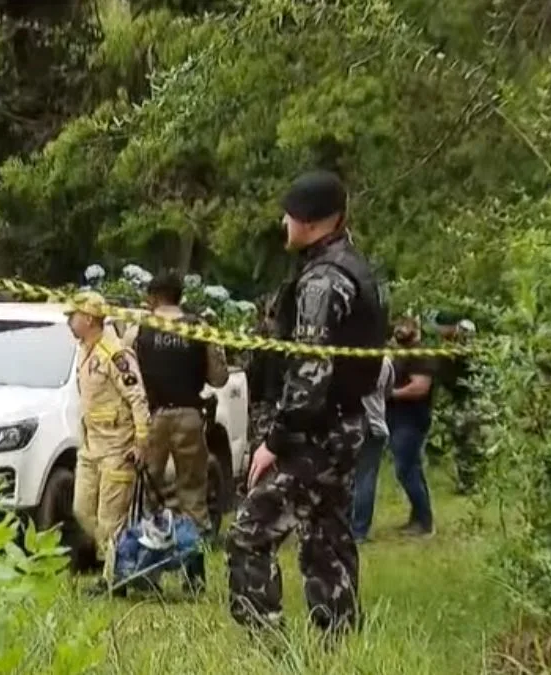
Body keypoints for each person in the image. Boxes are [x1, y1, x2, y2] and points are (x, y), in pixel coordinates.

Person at [227, 170, 386, 634]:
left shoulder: (323, 281)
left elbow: (311, 374)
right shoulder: (355, 266)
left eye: (289, 214)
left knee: (249, 534)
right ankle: (338, 646)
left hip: (316, 433)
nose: (283, 222)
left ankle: (266, 646)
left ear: (312, 221)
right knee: (327, 537)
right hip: (343, 425)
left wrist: (275, 442)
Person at [125, 273, 229, 590]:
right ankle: (193, 576)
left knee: (148, 496)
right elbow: (219, 378)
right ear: (179, 296)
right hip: (189, 416)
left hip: (152, 418)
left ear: (153, 297)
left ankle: (147, 575)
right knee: (193, 496)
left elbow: (128, 377)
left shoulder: (138, 329)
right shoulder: (198, 328)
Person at [65, 290, 152, 596]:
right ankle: (119, 562)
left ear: (89, 318)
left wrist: (141, 443)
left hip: (117, 448)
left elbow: (137, 399)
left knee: (111, 519)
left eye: (73, 315)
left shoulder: (115, 353)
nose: (69, 321)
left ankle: (114, 580)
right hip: (91, 447)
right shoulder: (83, 350)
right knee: (82, 510)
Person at [387, 317, 437, 535]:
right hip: (399, 418)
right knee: (412, 468)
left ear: (415, 330)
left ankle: (424, 521)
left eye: (405, 325)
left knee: (405, 470)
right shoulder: (401, 353)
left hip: (412, 419)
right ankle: (419, 517)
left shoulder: (420, 354)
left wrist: (390, 394)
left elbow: (420, 387)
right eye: (398, 325)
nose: (400, 329)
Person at [350, 356, 394, 543]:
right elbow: (388, 391)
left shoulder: (347, 356)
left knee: (348, 478)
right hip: (376, 423)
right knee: (366, 478)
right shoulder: (385, 361)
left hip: (351, 424)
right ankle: (359, 530)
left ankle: (346, 527)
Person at [434, 312, 480, 494]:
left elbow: (468, 354)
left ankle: (470, 482)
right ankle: (465, 481)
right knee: (460, 440)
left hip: (469, 398)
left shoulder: (464, 339)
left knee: (469, 441)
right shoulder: (447, 345)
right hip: (457, 397)